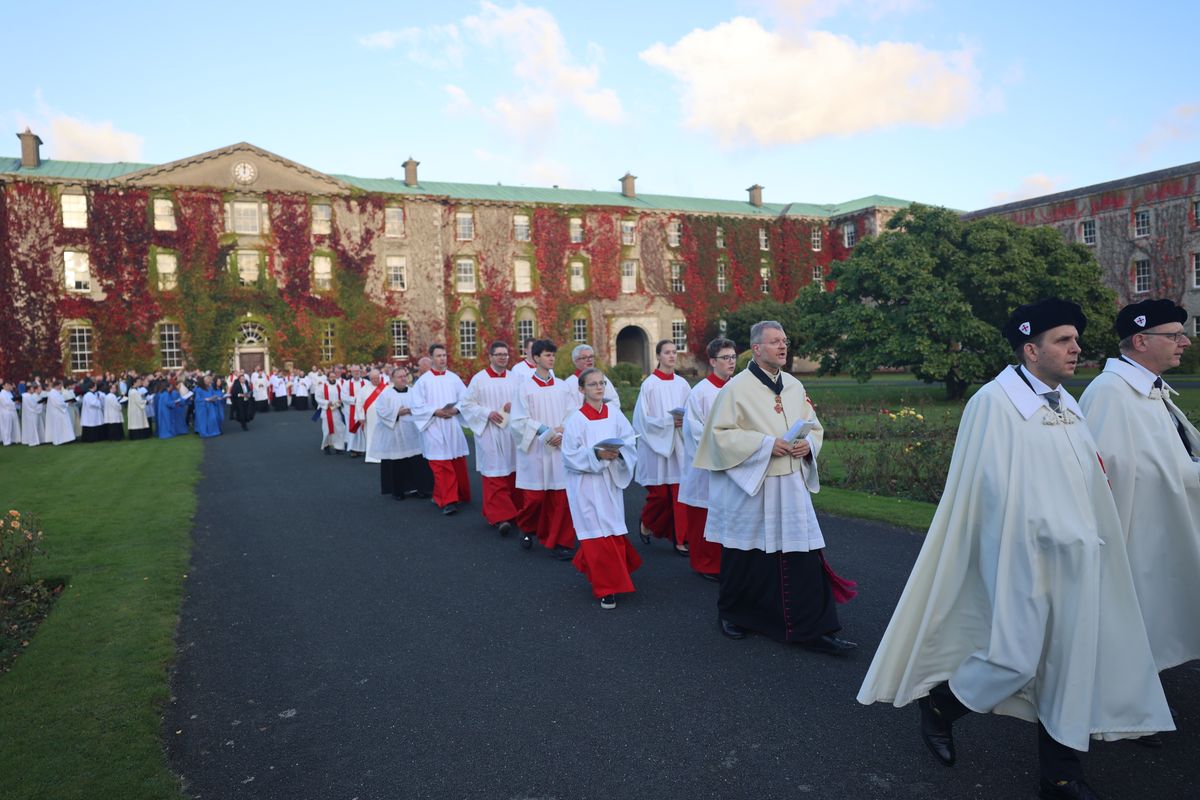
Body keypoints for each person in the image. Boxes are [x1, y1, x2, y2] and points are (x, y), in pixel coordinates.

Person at [857, 299, 1173, 800]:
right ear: (1031, 349)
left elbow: (1086, 479)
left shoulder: (1066, 403)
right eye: (1063, 341)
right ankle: (941, 705)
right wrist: (1048, 531)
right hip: (1020, 558)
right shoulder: (993, 402)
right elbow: (988, 491)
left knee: (1071, 662)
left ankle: (1061, 777)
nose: (1076, 348)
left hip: (1078, 558)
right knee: (1014, 659)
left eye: (1075, 339)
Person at [694, 320, 855, 652]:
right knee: (744, 553)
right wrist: (766, 445)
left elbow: (813, 426)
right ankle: (733, 614)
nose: (783, 346)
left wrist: (807, 445)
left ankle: (813, 627)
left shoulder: (794, 385)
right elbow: (719, 436)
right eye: (775, 342)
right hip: (753, 483)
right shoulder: (735, 389)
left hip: (790, 484)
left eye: (784, 341)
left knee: (801, 554)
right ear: (756, 349)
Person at [1079, 299, 1200, 678]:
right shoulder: (1110, 394)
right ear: (1141, 341)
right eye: (1174, 335)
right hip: (1135, 540)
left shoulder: (1148, 389)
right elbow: (1104, 476)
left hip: (1161, 532)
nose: (1186, 342)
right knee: (1127, 629)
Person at [563, 368, 641, 609]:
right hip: (585, 486)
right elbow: (569, 456)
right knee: (595, 535)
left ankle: (603, 572)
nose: (598, 387)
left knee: (612, 529)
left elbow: (629, 440)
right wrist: (597, 455)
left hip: (609, 482)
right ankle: (607, 588)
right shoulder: (575, 420)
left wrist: (618, 453)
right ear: (581, 389)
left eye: (602, 383)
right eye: (593, 384)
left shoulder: (615, 414)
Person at [509, 339, 577, 558]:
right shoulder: (524, 388)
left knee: (560, 498)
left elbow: (573, 414)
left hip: (558, 448)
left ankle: (560, 542)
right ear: (536, 357)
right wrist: (544, 430)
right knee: (535, 499)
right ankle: (526, 526)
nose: (551, 359)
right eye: (547, 355)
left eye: (553, 355)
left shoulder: (563, 387)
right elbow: (518, 421)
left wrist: (562, 432)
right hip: (535, 450)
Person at [679, 337, 737, 581]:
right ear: (713, 362)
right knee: (704, 515)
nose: (731, 362)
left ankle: (728, 563)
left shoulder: (740, 388)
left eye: (733, 357)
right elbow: (695, 432)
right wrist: (722, 448)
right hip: (707, 465)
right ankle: (706, 564)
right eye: (725, 358)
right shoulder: (700, 392)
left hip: (735, 463)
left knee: (730, 515)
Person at [632, 339, 692, 555]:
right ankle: (647, 521)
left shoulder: (683, 384)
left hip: (679, 446)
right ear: (658, 356)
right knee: (660, 496)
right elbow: (641, 420)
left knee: (679, 494)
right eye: (667, 352)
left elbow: (692, 412)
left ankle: (681, 540)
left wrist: (685, 422)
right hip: (655, 447)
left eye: (674, 352)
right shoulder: (649, 385)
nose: (672, 356)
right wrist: (668, 423)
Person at [459, 341, 521, 535]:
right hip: (489, 432)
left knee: (513, 472)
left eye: (505, 354)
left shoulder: (515, 378)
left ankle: (515, 512)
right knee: (495, 474)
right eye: (499, 354)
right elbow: (466, 405)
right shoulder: (479, 379)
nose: (503, 357)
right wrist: (487, 413)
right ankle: (500, 517)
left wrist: (515, 405)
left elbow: (525, 401)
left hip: (511, 432)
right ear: (490, 357)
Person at [409, 344, 471, 515]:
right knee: (441, 464)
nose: (442, 358)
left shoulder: (454, 378)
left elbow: (466, 399)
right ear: (431, 358)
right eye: (438, 356)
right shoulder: (423, 381)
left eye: (444, 355)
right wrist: (434, 411)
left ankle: (445, 495)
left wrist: (456, 409)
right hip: (433, 426)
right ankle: (449, 501)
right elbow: (416, 406)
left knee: (456, 462)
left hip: (452, 425)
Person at [368, 367, 432, 499]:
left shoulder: (414, 392)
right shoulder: (386, 394)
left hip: (413, 434)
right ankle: (398, 491)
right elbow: (381, 411)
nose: (403, 379)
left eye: (404, 376)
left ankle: (420, 488)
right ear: (392, 379)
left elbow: (423, 408)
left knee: (416, 462)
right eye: (399, 377)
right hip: (395, 434)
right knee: (397, 464)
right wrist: (397, 413)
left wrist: (412, 410)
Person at [360, 368, 389, 465]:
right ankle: (371, 457)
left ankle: (383, 456)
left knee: (383, 436)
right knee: (371, 435)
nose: (375, 380)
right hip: (370, 418)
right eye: (372, 378)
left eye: (377, 378)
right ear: (370, 378)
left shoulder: (386, 388)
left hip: (383, 417)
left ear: (380, 377)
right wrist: (361, 417)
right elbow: (359, 404)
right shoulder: (364, 389)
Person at [316, 370, 346, 454]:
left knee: (339, 429)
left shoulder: (339, 385)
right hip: (326, 410)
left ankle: (339, 447)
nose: (333, 378)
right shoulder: (322, 386)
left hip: (337, 411)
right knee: (327, 429)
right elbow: (317, 397)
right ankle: (326, 446)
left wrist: (341, 401)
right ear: (328, 377)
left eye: (334, 377)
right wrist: (326, 402)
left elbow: (344, 395)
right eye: (331, 377)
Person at [45, 380, 76, 446]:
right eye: (61, 385)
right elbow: (58, 404)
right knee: (59, 427)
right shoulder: (53, 393)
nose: (61, 386)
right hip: (57, 412)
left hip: (60, 411)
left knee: (63, 426)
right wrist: (67, 404)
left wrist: (65, 403)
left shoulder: (56, 392)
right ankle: (59, 440)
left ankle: (65, 439)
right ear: (58, 385)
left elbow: (60, 401)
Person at [20, 381, 47, 446]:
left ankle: (37, 440)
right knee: (33, 428)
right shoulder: (29, 396)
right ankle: (33, 441)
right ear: (29, 389)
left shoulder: (27, 396)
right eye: (32, 388)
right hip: (32, 414)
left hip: (32, 414)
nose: (33, 389)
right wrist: (41, 404)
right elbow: (33, 405)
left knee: (35, 428)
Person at [0, 381, 20, 446]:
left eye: (9, 385)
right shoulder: (2, 394)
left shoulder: (9, 393)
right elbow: (5, 403)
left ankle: (12, 439)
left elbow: (11, 400)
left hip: (12, 411)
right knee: (6, 427)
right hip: (6, 412)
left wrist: (16, 402)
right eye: (7, 385)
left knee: (12, 426)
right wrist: (14, 402)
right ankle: (6, 441)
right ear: (3, 386)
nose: (9, 386)